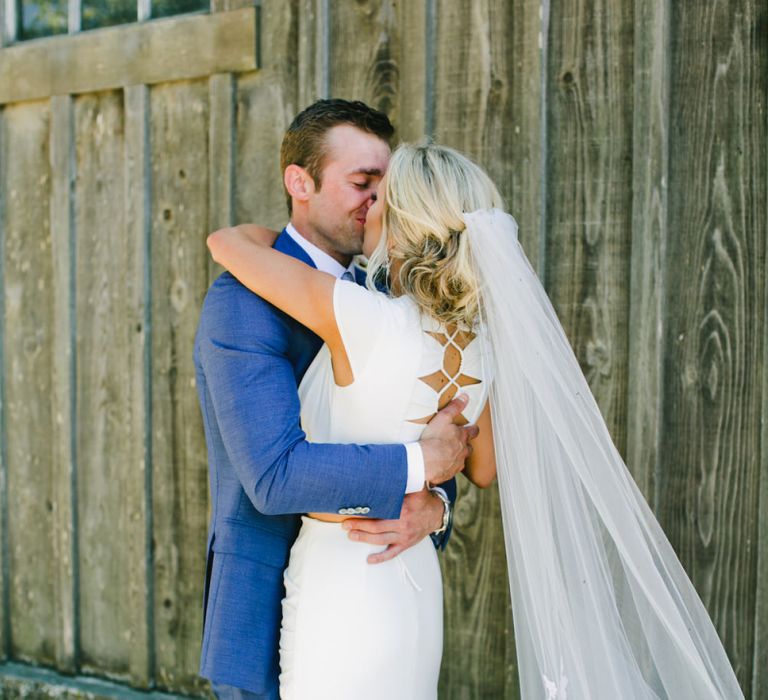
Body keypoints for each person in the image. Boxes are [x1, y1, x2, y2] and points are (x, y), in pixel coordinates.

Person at [208, 142, 745, 699]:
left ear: (402, 218)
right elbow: (482, 467)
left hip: (341, 582)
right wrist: (434, 498)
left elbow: (226, 243)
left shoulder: (359, 317)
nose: (368, 208)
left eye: (381, 198)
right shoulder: (480, 339)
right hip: (413, 582)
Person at [193, 100, 477, 700]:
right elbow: (272, 476)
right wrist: (422, 465)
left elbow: (431, 431)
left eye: (386, 186)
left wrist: (436, 508)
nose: (377, 203)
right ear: (300, 182)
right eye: (362, 183)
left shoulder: (395, 297)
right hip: (267, 615)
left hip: (372, 602)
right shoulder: (241, 301)